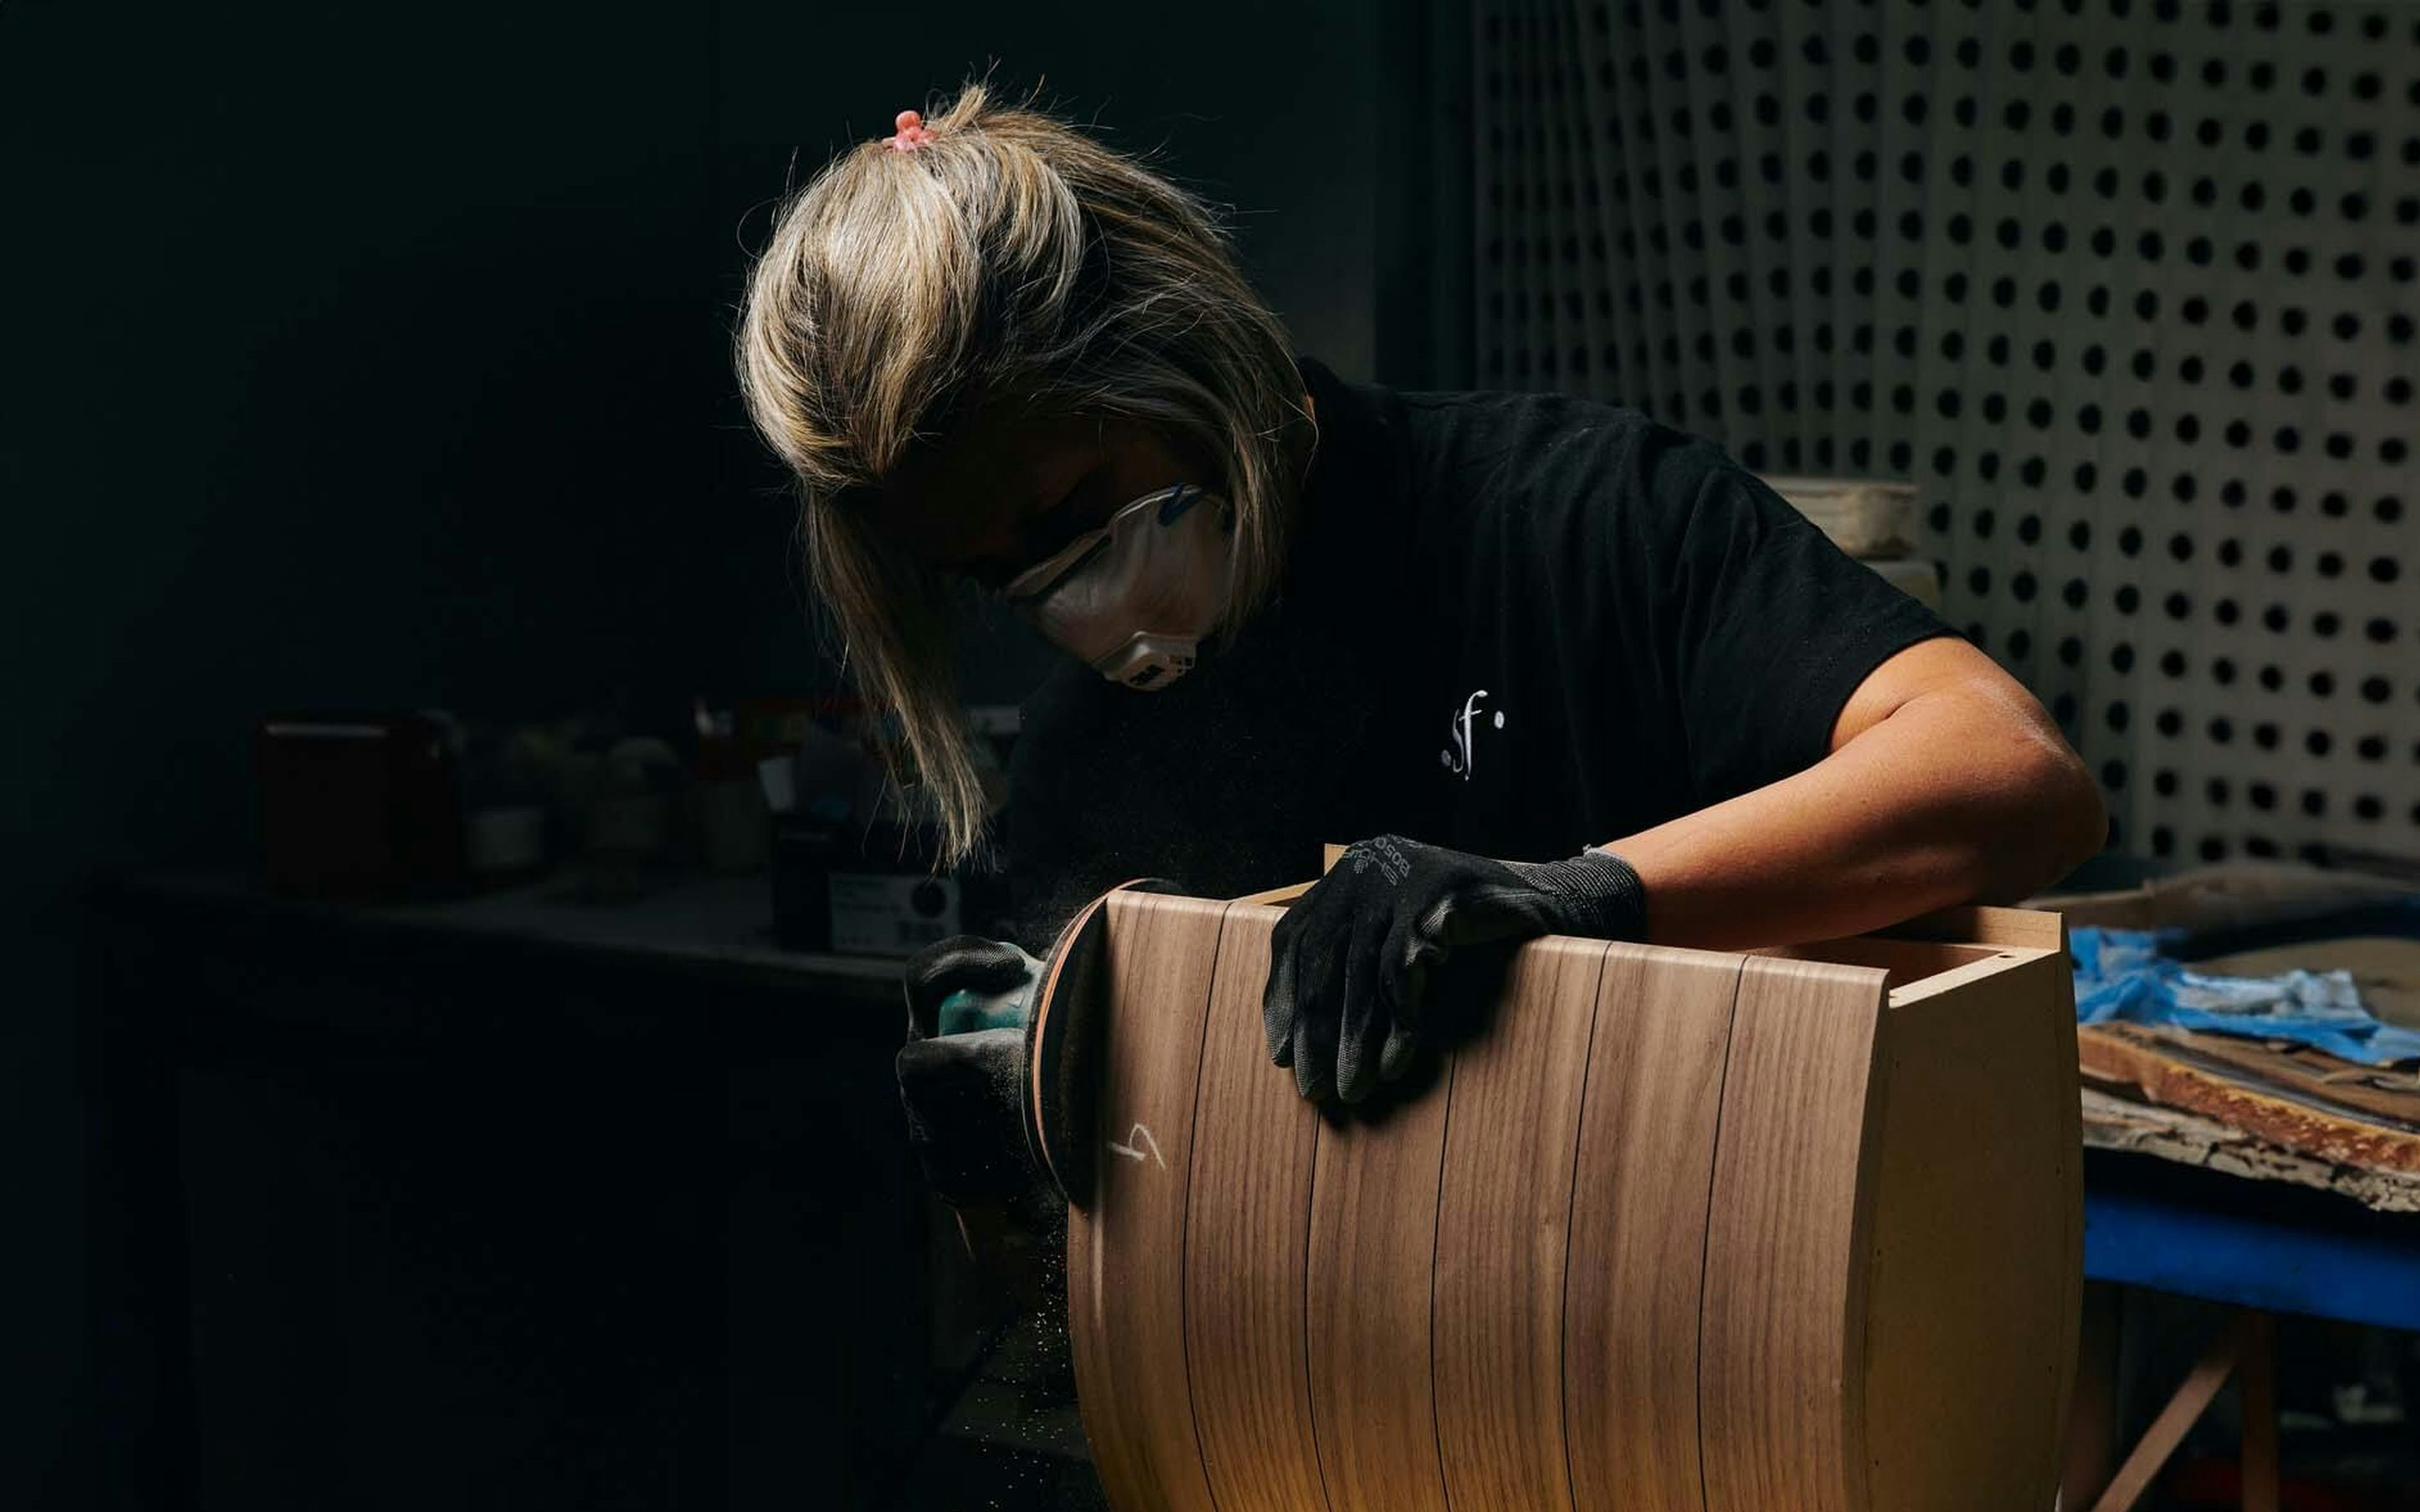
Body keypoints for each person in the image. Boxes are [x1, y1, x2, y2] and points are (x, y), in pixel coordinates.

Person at [736, 89, 2102, 1203]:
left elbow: (2014, 780)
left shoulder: (1578, 517)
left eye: (1072, 512)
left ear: (1172, 349)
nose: (1066, 602)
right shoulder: (1088, 764)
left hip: (1693, 1341)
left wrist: (1574, 898)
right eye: (998, 574)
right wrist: (1029, 1085)